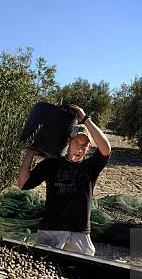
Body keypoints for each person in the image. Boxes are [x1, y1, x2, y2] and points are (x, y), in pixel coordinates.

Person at [16, 104, 111, 256]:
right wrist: (30, 152)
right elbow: (22, 184)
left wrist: (85, 119)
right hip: (51, 231)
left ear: (89, 148)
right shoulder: (51, 164)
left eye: (83, 145)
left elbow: (106, 148)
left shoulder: (91, 166)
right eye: (75, 143)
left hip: (80, 233)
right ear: (68, 142)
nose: (79, 149)